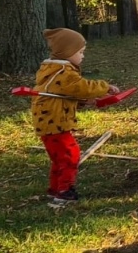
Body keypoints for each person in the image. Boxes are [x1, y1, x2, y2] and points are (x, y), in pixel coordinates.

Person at [31, 27, 120, 206]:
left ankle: (55, 188)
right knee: (70, 155)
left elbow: (62, 94)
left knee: (59, 157)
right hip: (56, 123)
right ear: (67, 52)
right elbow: (81, 87)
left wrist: (81, 102)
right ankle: (64, 193)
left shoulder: (52, 70)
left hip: (48, 122)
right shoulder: (63, 72)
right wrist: (104, 87)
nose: (82, 56)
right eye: (80, 52)